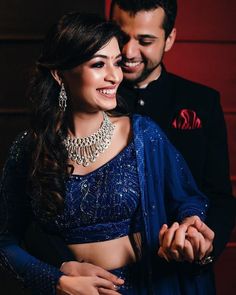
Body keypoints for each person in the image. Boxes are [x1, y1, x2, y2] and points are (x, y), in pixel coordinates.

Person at [0, 11, 214, 295]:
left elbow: (187, 198)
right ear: (59, 73)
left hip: (147, 285)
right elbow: (5, 239)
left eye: (116, 62)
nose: (115, 76)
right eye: (99, 64)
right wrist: (56, 279)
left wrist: (189, 228)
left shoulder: (142, 134)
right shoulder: (31, 148)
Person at [109, 0, 235, 265]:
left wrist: (204, 245)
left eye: (145, 41)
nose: (129, 51)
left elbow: (220, 195)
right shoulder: (89, 99)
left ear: (169, 39)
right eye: (121, 37)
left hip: (181, 271)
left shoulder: (203, 102)